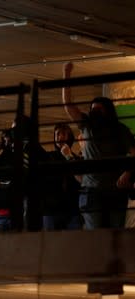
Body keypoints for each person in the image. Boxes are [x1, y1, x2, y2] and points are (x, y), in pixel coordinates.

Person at [62, 62, 135, 229]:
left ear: (107, 111)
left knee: (116, 235)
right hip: (91, 191)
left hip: (115, 190)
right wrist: (66, 74)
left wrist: (127, 173)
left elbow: (134, 152)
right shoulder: (87, 125)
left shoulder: (120, 130)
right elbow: (68, 105)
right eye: (93, 109)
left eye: (98, 109)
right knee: (95, 235)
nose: (94, 112)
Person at [42, 123, 82, 230]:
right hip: (50, 210)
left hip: (72, 210)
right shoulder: (47, 157)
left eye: (63, 134)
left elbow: (81, 179)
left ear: (69, 137)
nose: (59, 137)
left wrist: (68, 156)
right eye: (57, 134)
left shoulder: (76, 159)